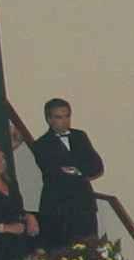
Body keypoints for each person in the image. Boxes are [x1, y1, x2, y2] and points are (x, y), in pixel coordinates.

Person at [29, 98, 104, 247]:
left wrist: (76, 170)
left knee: (90, 251)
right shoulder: (41, 145)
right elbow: (55, 173)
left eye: (67, 116)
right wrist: (81, 169)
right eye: (59, 117)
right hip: (58, 208)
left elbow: (97, 166)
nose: (64, 121)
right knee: (62, 254)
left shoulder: (80, 137)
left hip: (84, 205)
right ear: (49, 119)